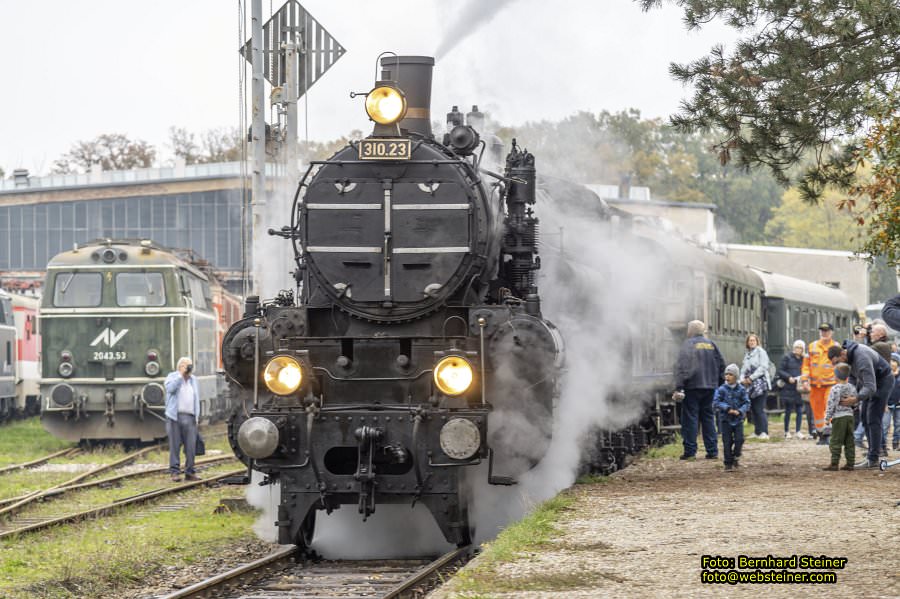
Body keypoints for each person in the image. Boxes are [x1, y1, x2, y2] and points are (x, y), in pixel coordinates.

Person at [828, 341, 894, 468]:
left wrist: (855, 399)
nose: (837, 365)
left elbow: (871, 387)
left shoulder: (861, 358)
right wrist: (850, 394)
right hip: (869, 383)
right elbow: (853, 378)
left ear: (842, 353)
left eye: (837, 362)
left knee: (873, 419)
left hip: (883, 382)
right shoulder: (849, 358)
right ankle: (871, 455)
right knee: (864, 417)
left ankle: (874, 458)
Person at [674, 320, 725, 461]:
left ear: (690, 331)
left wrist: (679, 387)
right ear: (702, 331)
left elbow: (681, 368)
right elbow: (722, 365)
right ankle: (712, 451)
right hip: (710, 387)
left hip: (692, 387)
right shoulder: (711, 344)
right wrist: (718, 384)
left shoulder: (687, 345)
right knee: (708, 418)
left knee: (690, 419)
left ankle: (690, 451)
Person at [165, 356, 201, 482]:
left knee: (191, 447)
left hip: (190, 417)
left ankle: (190, 471)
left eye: (189, 365)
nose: (188, 367)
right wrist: (180, 376)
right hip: (175, 417)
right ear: (179, 366)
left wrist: (197, 416)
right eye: (185, 365)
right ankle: (174, 472)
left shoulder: (194, 380)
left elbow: (196, 398)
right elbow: (170, 389)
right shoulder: (172, 377)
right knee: (175, 446)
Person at [802, 323, 839, 445]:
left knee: (829, 408)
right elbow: (806, 365)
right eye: (822, 331)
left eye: (827, 331)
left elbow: (840, 365)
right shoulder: (812, 346)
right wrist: (804, 380)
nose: (824, 333)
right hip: (815, 385)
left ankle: (830, 434)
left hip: (831, 384)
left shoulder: (836, 346)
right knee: (817, 412)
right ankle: (821, 435)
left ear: (831, 332)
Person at [713, 364, 750, 472]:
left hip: (738, 419)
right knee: (727, 441)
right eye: (726, 374)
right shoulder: (721, 389)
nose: (727, 377)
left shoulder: (741, 389)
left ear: (736, 376)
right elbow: (716, 402)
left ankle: (736, 455)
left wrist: (740, 411)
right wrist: (727, 408)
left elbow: (747, 403)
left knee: (739, 439)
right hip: (725, 419)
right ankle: (728, 463)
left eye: (730, 374)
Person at [822, 363, 857, 471]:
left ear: (836, 376)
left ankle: (834, 463)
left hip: (838, 418)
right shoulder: (852, 387)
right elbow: (855, 402)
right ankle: (850, 463)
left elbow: (831, 404)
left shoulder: (835, 389)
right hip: (850, 417)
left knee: (836, 441)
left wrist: (827, 418)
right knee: (849, 440)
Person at [741, 333, 771, 439]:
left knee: (759, 408)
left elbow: (763, 367)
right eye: (750, 341)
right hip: (750, 385)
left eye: (753, 340)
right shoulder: (747, 354)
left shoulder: (761, 352)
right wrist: (742, 379)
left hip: (760, 384)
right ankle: (757, 431)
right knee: (753, 408)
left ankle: (764, 432)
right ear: (747, 343)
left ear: (757, 342)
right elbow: (743, 369)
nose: (751, 342)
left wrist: (751, 378)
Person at [777, 340, 806, 439]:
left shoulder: (804, 359)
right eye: (797, 347)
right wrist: (788, 377)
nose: (798, 349)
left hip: (799, 387)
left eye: (800, 348)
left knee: (799, 410)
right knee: (788, 410)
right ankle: (786, 431)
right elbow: (780, 370)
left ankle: (798, 431)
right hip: (788, 387)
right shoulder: (787, 357)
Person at [883, 354, 900, 453]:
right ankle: (883, 445)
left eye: (895, 362)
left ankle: (896, 444)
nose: (893, 364)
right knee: (885, 425)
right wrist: (884, 404)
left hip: (898, 405)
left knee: (898, 425)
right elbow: (883, 391)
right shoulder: (885, 376)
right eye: (891, 362)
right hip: (887, 405)